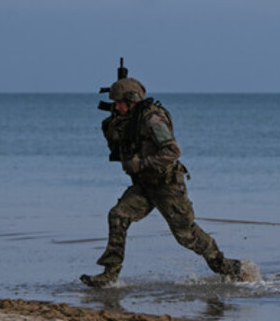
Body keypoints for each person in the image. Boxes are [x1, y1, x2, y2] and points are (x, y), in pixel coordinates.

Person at [80, 77, 244, 287]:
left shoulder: (152, 119)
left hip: (167, 187)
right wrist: (112, 127)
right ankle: (110, 273)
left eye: (119, 102)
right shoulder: (126, 120)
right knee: (117, 215)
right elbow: (117, 148)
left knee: (186, 235)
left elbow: (173, 151)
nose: (116, 106)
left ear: (132, 100)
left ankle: (227, 267)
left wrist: (141, 163)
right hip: (145, 186)